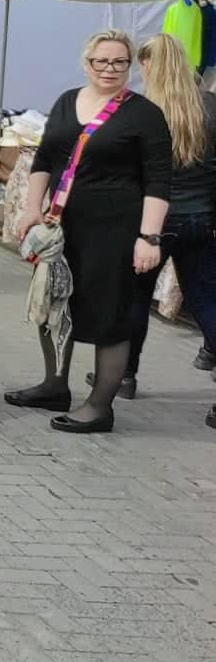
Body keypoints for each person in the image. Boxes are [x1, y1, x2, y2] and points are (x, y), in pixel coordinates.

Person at [4, 30, 170, 434]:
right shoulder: (66, 101)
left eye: (119, 63)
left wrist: (149, 238)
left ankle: (99, 407)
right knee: (53, 301)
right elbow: (45, 157)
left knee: (109, 314)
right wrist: (31, 209)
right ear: (86, 63)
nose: (110, 69)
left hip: (116, 230)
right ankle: (54, 386)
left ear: (130, 67)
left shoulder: (143, 113)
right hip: (62, 227)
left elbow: (159, 181)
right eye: (102, 61)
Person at [122, 35, 216, 412]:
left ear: (148, 65)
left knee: (135, 298)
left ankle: (124, 375)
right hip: (201, 220)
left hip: (152, 224)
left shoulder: (142, 110)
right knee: (208, 300)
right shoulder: (210, 107)